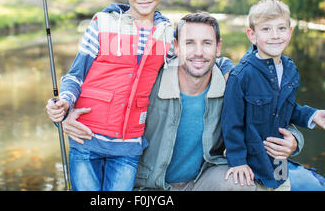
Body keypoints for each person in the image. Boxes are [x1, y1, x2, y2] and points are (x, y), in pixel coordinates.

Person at [60, 12, 305, 191]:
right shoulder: (150, 82)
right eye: (190, 43)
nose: (198, 52)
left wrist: (295, 139)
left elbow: (274, 110)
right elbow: (103, 104)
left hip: (201, 181)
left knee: (243, 185)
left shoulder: (232, 83)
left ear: (218, 48)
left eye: (207, 43)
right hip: (150, 188)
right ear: (176, 46)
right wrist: (66, 115)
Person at [45, 0, 174, 191]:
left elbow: (192, 65)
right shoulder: (103, 24)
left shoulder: (167, 34)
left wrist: (229, 70)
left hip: (128, 146)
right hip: (85, 138)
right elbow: (75, 75)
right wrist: (64, 103)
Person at [221, 0, 325, 191]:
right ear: (252, 35)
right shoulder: (241, 75)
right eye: (266, 29)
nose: (275, 35)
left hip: (279, 162)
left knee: (284, 186)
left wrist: (312, 115)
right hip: (251, 163)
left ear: (290, 32)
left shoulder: (290, 69)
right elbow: (231, 123)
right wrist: (237, 161)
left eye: (281, 28)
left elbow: (287, 108)